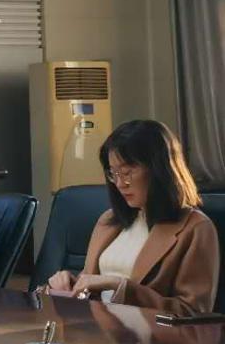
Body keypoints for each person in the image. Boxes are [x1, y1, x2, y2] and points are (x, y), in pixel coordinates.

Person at [47, 120, 218, 316]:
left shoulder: (196, 228)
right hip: (94, 327)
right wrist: (67, 285)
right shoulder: (109, 220)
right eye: (113, 173)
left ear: (158, 169)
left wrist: (120, 286)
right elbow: (89, 285)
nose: (120, 183)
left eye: (127, 172)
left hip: (147, 334)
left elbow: (193, 313)